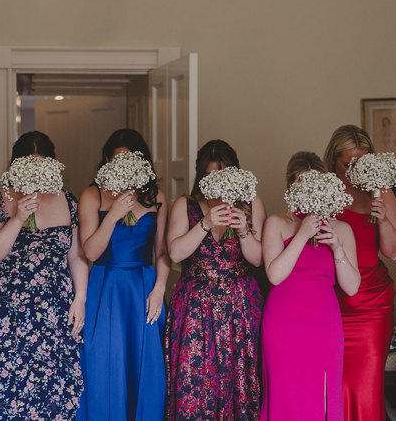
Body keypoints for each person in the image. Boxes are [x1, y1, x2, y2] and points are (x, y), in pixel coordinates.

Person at [0, 131, 89, 420]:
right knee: (9, 387)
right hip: (10, 308)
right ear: (16, 167)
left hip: (56, 307)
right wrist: (17, 217)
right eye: (29, 166)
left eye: (42, 166)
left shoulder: (69, 201)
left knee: (55, 390)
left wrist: (80, 300)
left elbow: (75, 256)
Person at [165, 139, 265, 420]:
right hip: (196, 309)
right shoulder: (186, 204)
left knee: (241, 382)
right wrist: (205, 223)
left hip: (241, 307)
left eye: (224, 173)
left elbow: (258, 260)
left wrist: (244, 229)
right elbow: (175, 252)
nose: (218, 181)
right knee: (195, 384)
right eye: (210, 175)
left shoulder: (251, 203)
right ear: (201, 176)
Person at [76, 129, 170, 420]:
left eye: (130, 160)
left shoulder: (156, 196)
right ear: (106, 161)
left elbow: (163, 252)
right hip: (106, 286)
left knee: (145, 365)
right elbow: (90, 252)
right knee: (105, 363)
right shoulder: (93, 194)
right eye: (117, 160)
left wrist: (159, 289)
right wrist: (114, 213)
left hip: (143, 287)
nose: (123, 166)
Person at [261, 152, 360, 420]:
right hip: (283, 326)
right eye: (300, 184)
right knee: (286, 398)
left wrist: (337, 246)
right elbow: (275, 276)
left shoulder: (341, 229)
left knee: (322, 399)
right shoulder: (276, 223)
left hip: (324, 327)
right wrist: (302, 234)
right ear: (291, 188)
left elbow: (351, 287)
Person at [324, 124, 396, 421]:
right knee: (333, 385)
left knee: (365, 386)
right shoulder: (322, 190)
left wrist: (382, 218)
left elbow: (394, 251)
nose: (354, 169)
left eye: (362, 162)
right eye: (348, 163)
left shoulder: (380, 191)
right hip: (330, 303)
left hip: (371, 305)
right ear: (333, 160)